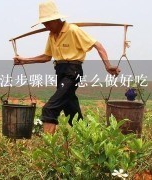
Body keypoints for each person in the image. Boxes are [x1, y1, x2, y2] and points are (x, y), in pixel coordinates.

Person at [13, 0, 121, 134]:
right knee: (71, 112)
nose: (46, 26)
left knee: (49, 109)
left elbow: (97, 45)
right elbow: (47, 57)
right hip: (60, 72)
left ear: (57, 19)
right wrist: (24, 60)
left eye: (48, 22)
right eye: (44, 23)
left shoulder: (73, 30)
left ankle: (50, 149)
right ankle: (89, 138)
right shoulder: (52, 35)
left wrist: (108, 65)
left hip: (72, 72)